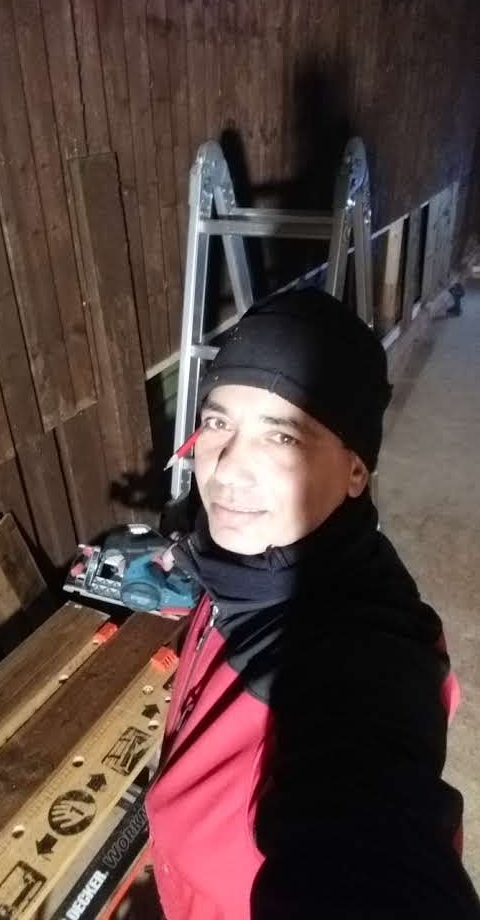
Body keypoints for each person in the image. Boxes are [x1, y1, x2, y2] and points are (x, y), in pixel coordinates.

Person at [145, 288, 480, 919]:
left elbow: (372, 845)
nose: (227, 469)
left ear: (357, 471)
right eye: (218, 423)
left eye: (283, 435)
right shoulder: (239, 568)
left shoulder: (364, 660)